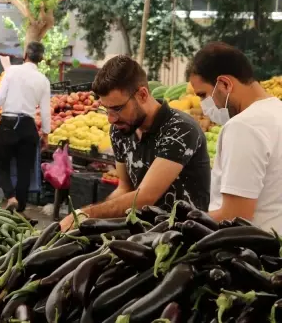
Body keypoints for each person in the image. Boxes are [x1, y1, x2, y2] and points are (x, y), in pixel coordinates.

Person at [60, 55, 210, 231]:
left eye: (117, 108)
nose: (110, 119)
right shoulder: (120, 131)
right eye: (105, 109)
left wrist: (87, 214)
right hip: (142, 236)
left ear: (142, 95)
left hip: (185, 239)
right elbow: (125, 188)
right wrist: (92, 223)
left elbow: (146, 196)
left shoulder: (180, 129)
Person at [188, 42, 282, 231]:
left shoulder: (244, 126)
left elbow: (235, 215)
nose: (204, 106)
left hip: (248, 250)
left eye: (203, 95)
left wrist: (181, 223)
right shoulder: (277, 112)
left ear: (224, 84)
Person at [0, 42, 51, 216]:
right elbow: (45, 111)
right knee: (24, 168)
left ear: (25, 55)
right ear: (41, 59)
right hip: (28, 126)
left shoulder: (12, 71)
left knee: (2, 163)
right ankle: (20, 207)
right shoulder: (43, 80)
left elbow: (0, 96)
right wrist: (46, 134)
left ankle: (10, 196)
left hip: (8, 123)